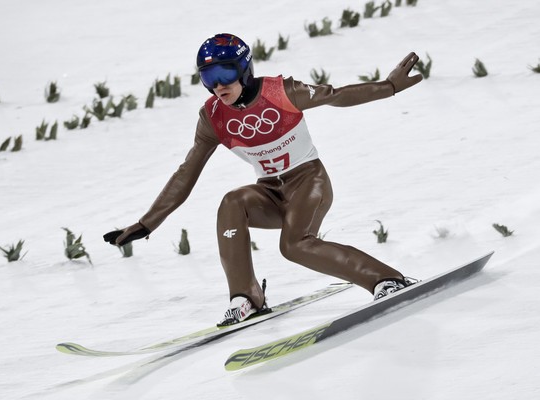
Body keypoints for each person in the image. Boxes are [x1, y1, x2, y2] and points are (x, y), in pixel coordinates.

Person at [104, 33, 423, 326]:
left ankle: (386, 279)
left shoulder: (282, 92)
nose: (217, 86)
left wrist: (389, 86)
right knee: (232, 203)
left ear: (244, 70)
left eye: (224, 75)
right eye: (207, 78)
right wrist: (148, 223)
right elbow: (187, 172)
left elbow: (335, 96)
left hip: (309, 184)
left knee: (294, 245)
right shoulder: (213, 118)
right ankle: (246, 297)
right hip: (270, 192)